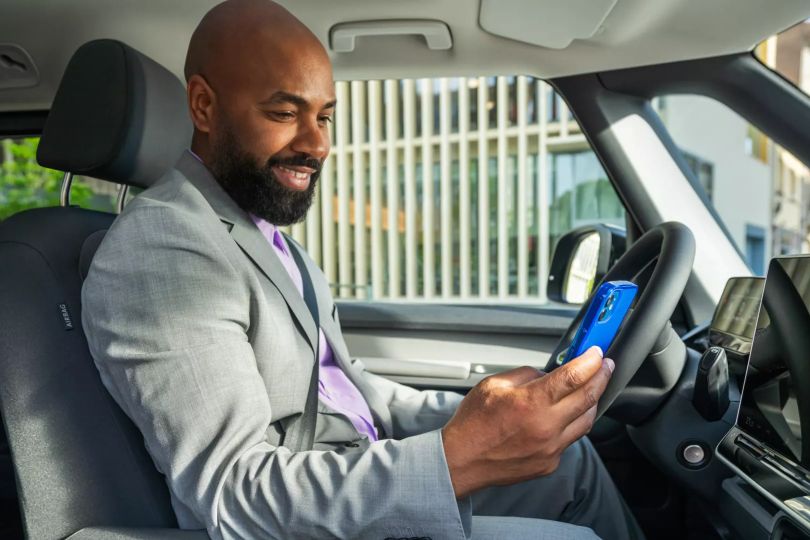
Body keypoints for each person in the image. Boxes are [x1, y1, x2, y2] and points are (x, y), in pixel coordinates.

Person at [81, 1, 644, 538]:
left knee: (573, 461)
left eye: (325, 116)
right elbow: (235, 495)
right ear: (204, 106)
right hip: (309, 519)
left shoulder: (264, 235)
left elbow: (345, 388)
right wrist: (458, 456)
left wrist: (486, 415)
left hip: (353, 470)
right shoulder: (162, 246)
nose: (317, 144)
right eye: (284, 112)